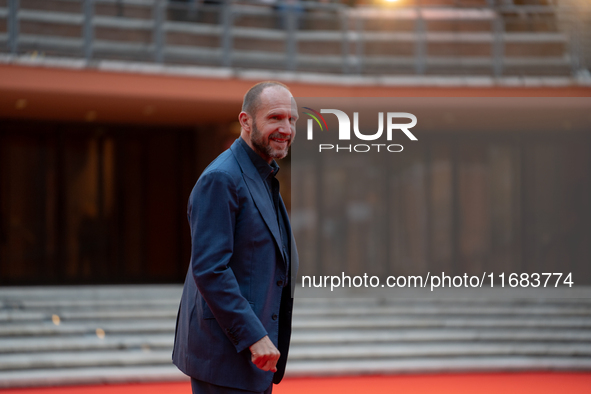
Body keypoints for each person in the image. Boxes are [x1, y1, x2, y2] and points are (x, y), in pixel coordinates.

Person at [172, 81, 299, 394]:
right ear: (246, 121)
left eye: (291, 119)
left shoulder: (262, 175)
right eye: (275, 118)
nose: (286, 128)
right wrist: (255, 337)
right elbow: (210, 269)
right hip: (227, 356)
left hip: (249, 358)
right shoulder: (222, 178)